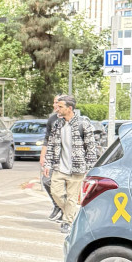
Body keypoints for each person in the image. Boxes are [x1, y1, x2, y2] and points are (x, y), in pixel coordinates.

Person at [41, 94, 99, 234]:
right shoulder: (57, 124)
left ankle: (67, 222)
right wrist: (47, 164)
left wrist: (90, 168)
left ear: (70, 108)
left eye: (61, 106)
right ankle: (70, 213)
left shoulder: (83, 124)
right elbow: (51, 145)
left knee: (72, 198)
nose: (58, 109)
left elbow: (91, 148)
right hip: (59, 167)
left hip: (77, 169)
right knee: (56, 193)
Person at [39, 97, 63, 222]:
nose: (55, 105)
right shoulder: (52, 119)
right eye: (54, 102)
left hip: (66, 159)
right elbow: (47, 139)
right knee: (46, 181)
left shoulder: (71, 119)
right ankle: (57, 205)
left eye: (57, 102)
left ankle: (65, 212)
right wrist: (43, 156)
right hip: (53, 158)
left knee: (63, 185)